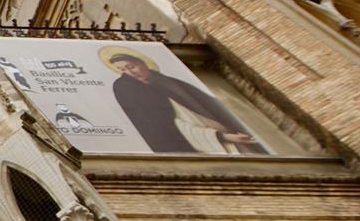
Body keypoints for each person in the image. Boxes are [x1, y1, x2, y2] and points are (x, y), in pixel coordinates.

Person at [101, 46, 266, 155]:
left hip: (235, 141)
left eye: (131, 66)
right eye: (122, 70)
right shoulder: (129, 90)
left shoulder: (172, 83)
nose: (130, 73)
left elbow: (213, 109)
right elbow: (168, 127)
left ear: (143, 63)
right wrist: (222, 137)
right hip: (211, 145)